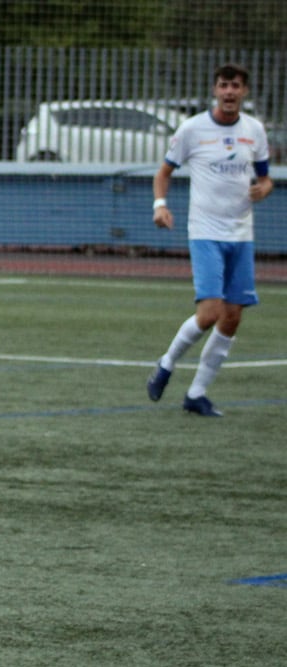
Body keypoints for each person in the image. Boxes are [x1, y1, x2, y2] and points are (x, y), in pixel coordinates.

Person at [147, 64, 273, 418]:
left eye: (235, 86)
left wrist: (264, 188)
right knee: (210, 313)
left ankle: (197, 393)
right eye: (223, 85)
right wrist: (160, 205)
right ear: (215, 90)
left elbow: (265, 178)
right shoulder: (192, 129)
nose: (229, 91)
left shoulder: (254, 130)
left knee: (231, 318)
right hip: (205, 232)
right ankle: (167, 363)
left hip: (242, 235)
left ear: (244, 92)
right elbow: (164, 172)